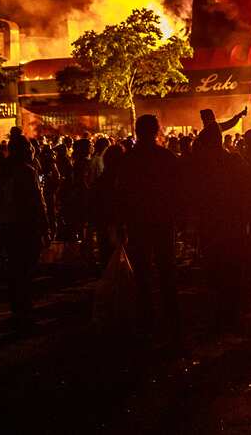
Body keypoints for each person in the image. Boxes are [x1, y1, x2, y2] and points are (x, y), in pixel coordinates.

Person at [112, 115, 181, 339]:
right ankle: (171, 317)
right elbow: (179, 190)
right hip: (162, 220)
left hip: (138, 221)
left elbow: (120, 194)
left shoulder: (129, 160)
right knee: (166, 269)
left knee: (142, 270)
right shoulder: (166, 157)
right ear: (156, 131)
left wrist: (121, 223)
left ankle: (146, 317)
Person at [0, 131, 47, 322]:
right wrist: (45, 225)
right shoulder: (27, 171)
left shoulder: (3, 168)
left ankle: (17, 304)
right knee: (27, 265)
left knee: (15, 265)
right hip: (26, 224)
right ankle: (25, 306)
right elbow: (36, 200)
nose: (32, 150)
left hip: (9, 223)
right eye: (29, 147)